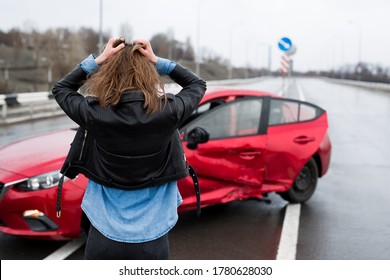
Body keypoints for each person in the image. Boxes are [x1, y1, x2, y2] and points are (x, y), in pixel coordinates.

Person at [52, 37, 207, 260]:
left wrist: (99, 59)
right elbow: (197, 84)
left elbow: (61, 88)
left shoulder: (94, 112)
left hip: (103, 237)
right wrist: (157, 60)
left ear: (108, 73)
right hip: (153, 239)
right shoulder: (168, 111)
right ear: (148, 74)